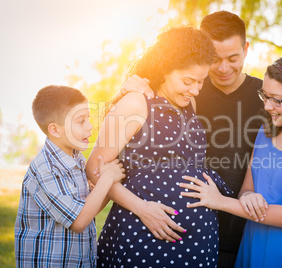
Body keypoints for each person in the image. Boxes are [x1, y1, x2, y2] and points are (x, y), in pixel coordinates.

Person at [122, 10, 282, 267]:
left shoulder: (269, 97)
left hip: (246, 232)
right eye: (215, 58)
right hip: (192, 232)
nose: (224, 68)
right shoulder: (189, 92)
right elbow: (141, 123)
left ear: (246, 49)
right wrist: (132, 85)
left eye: (233, 57)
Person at [86, 26, 232, 267]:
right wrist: (143, 209)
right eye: (188, 81)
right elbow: (94, 168)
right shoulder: (136, 102)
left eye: (201, 82)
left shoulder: (189, 103)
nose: (195, 90)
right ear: (165, 69)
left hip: (196, 244)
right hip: (143, 235)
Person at [179, 54, 282, 268]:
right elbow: (246, 189)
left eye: (276, 99)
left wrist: (218, 201)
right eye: (265, 96)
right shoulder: (265, 133)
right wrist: (248, 197)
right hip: (254, 237)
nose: (267, 106)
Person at [14, 85, 125, 267]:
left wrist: (109, 181)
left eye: (88, 118)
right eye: (81, 121)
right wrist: (106, 179)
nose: (90, 126)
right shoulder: (46, 168)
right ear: (55, 130)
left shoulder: (76, 159)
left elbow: (87, 210)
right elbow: (78, 221)